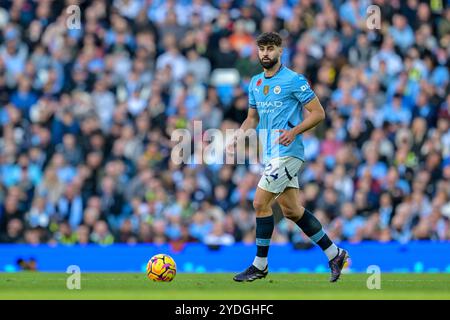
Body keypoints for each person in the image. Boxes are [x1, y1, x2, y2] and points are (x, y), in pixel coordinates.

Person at [227, 32, 349, 283]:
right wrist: (238, 138)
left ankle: (259, 265)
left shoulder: (294, 80)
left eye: (270, 49)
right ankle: (334, 253)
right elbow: (252, 118)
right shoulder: (255, 83)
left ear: (280, 50)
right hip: (271, 155)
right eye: (261, 49)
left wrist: (294, 132)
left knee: (260, 203)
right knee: (292, 211)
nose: (265, 54)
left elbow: (318, 113)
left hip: (289, 153)